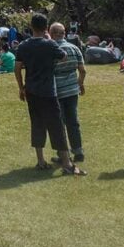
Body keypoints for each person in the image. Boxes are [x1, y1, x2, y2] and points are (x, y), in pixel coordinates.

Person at [14, 13, 85, 176]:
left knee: (37, 123)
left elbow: (17, 68)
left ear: (31, 27)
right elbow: (64, 57)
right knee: (57, 126)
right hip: (48, 91)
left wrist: (21, 87)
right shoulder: (50, 44)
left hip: (31, 90)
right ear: (46, 28)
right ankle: (67, 164)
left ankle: (40, 160)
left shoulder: (23, 46)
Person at [50, 22, 87, 163]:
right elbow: (82, 71)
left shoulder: (52, 50)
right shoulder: (74, 48)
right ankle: (78, 151)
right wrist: (80, 84)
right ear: (64, 34)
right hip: (72, 90)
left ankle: (63, 155)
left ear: (52, 34)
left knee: (59, 124)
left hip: (57, 91)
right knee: (73, 121)